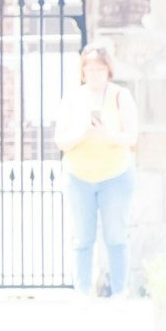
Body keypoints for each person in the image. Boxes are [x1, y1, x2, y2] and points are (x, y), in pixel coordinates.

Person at [57, 45, 140, 297]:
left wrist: (108, 134)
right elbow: (61, 141)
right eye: (89, 68)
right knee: (82, 237)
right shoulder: (72, 98)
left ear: (108, 70)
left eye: (99, 68)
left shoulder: (120, 96)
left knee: (116, 236)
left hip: (115, 175)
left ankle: (119, 291)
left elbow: (132, 137)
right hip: (79, 175)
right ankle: (82, 290)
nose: (94, 73)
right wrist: (82, 131)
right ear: (82, 71)